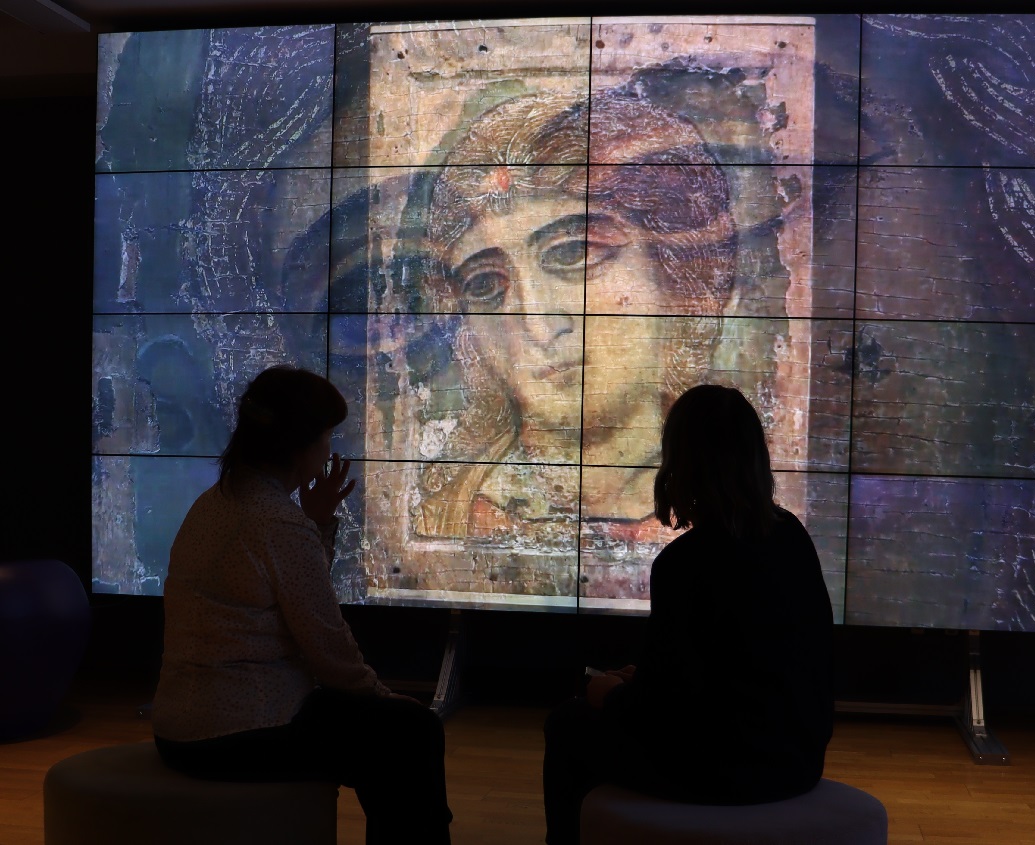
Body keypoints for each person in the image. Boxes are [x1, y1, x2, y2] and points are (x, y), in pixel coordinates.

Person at [392, 88, 737, 541]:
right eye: (486, 285)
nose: (537, 325)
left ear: (675, 277)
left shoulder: (731, 510)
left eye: (573, 253)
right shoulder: (445, 520)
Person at [151, 365, 453, 845]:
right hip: (242, 731)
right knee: (411, 731)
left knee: (389, 732)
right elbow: (327, 646)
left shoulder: (219, 501)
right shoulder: (276, 522)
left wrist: (315, 522)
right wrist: (380, 695)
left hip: (180, 725)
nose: (329, 449)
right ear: (299, 445)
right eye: (327, 436)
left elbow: (290, 589)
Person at [541, 384, 834, 845]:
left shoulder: (683, 564)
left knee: (567, 724)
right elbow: (729, 677)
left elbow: (663, 714)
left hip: (724, 772)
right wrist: (642, 682)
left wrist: (610, 695)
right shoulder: (792, 535)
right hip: (799, 763)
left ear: (681, 463)